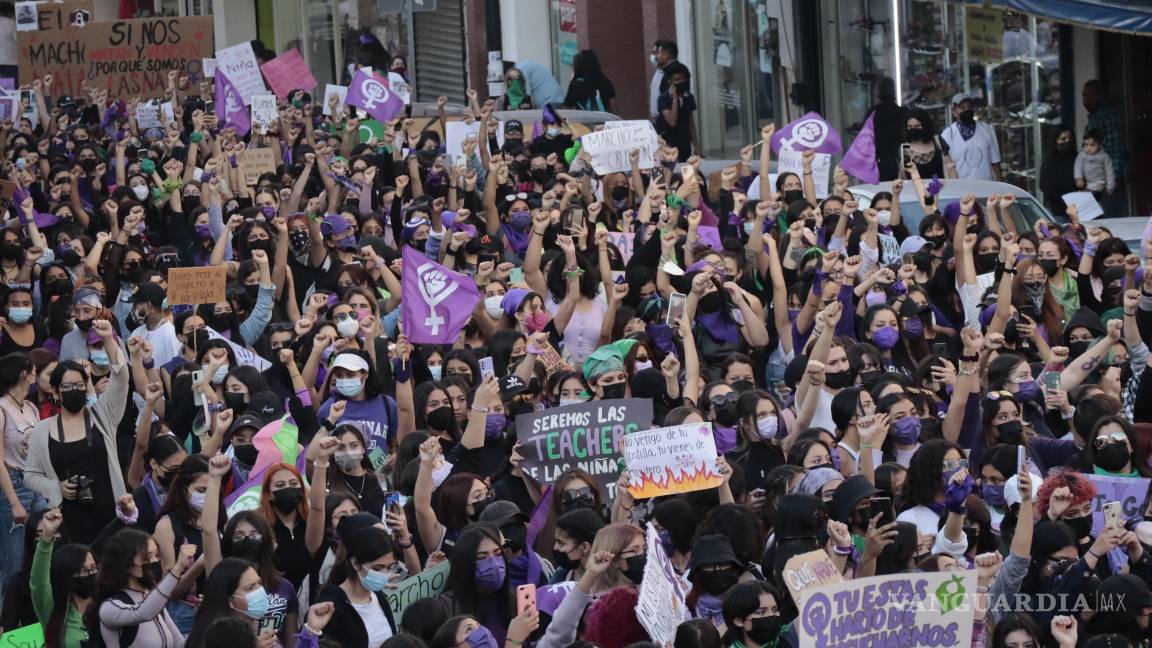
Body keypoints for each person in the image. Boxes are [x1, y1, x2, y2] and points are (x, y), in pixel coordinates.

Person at [1083, 80, 1127, 217]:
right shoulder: (1093, 118)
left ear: (1098, 95)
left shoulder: (1106, 117)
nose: (1084, 99)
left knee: (1111, 221)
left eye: (1087, 95)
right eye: (1083, 95)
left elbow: (1115, 150)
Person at [939, 93, 1002, 181]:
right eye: (962, 108)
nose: (967, 110)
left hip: (988, 188)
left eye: (969, 107)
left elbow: (996, 162)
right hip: (962, 190)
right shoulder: (948, 134)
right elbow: (945, 167)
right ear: (954, 112)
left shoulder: (986, 129)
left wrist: (1001, 187)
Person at [655, 62, 699, 162]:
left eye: (683, 78)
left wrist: (696, 146)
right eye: (677, 80)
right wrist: (674, 99)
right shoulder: (663, 99)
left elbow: (691, 123)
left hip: (685, 145)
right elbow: (672, 121)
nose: (681, 82)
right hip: (669, 146)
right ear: (670, 81)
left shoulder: (688, 97)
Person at [649, 40, 679, 119]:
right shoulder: (659, 72)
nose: (654, 57)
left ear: (665, 54)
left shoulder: (671, 73)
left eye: (656, 53)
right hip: (658, 119)